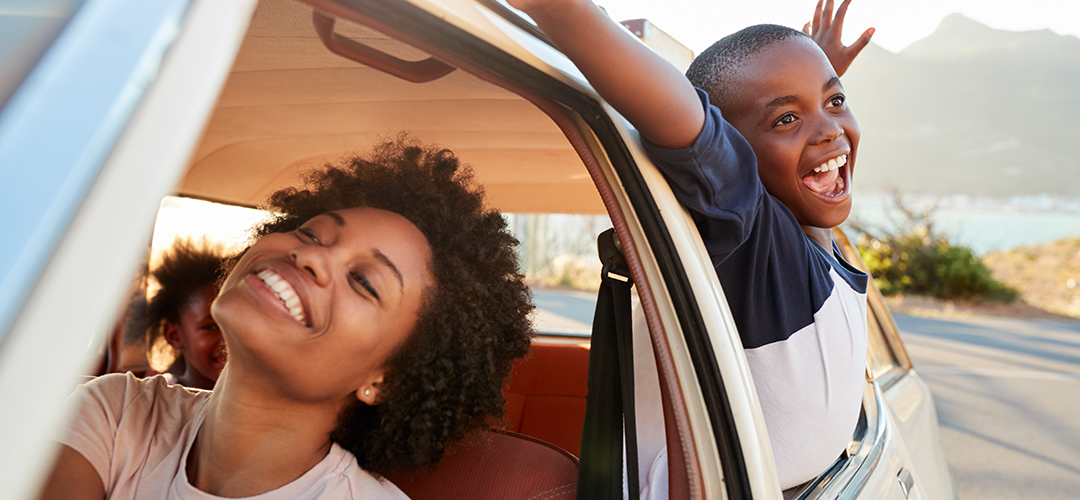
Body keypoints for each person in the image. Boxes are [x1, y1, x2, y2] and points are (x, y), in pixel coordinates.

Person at [510, 0, 874, 492]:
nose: (831, 129)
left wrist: (811, 72)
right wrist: (562, 12)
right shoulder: (756, 243)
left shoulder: (810, 240)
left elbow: (801, 158)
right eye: (786, 119)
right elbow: (696, 134)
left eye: (836, 100)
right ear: (730, 153)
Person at [37, 139, 534, 499]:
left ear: (387, 380)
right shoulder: (117, 410)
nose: (311, 256)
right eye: (312, 233)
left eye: (363, 281)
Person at [131, 239, 230, 390]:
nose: (229, 339)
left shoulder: (260, 396)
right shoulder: (157, 396)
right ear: (174, 336)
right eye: (211, 327)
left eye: (236, 324)